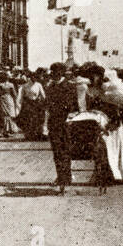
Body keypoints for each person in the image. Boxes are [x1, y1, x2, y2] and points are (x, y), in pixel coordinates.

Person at [45, 62, 80, 193]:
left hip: (66, 123)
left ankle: (66, 176)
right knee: (56, 152)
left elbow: (75, 106)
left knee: (65, 150)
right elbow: (47, 106)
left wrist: (70, 117)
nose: (53, 76)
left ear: (60, 73)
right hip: (54, 123)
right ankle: (61, 176)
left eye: (55, 73)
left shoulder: (70, 87)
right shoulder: (50, 87)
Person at [18, 69, 48, 141]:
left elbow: (43, 95)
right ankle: (29, 135)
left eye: (36, 77)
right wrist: (20, 104)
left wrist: (45, 102)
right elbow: (21, 96)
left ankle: (38, 134)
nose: (34, 79)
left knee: (37, 119)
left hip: (36, 104)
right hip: (28, 104)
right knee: (28, 120)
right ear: (30, 77)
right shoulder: (25, 85)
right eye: (33, 77)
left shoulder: (38, 85)